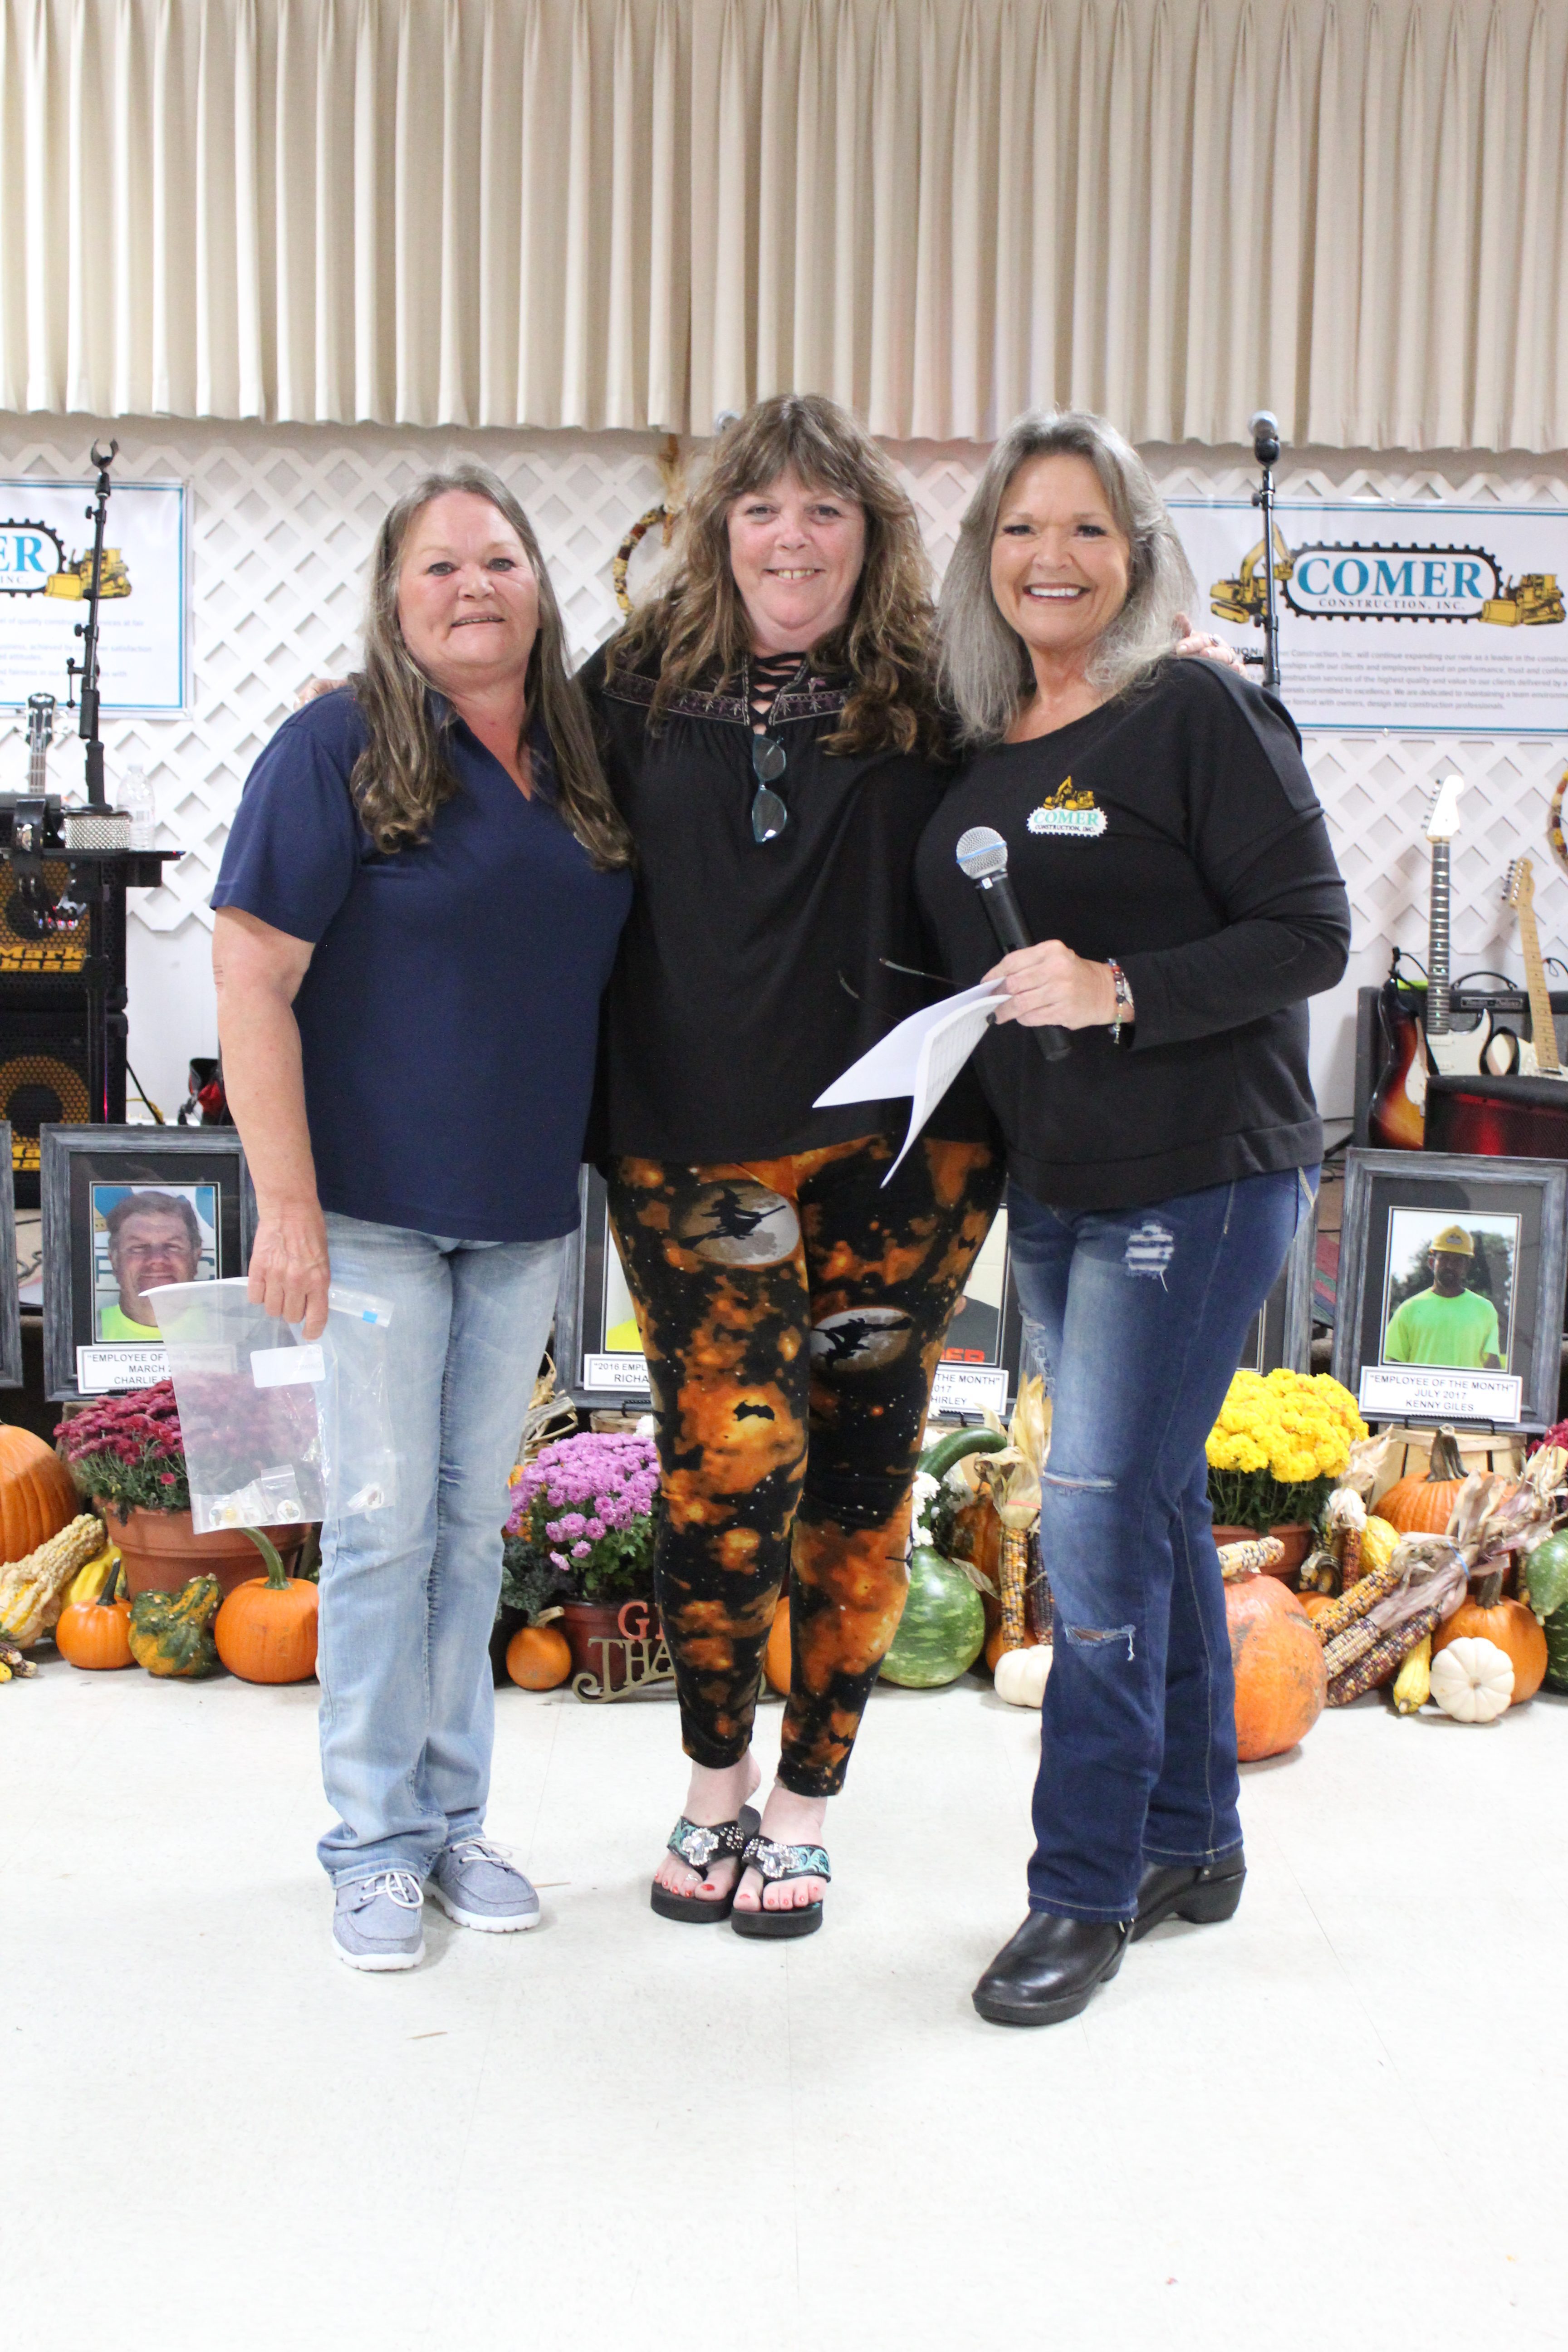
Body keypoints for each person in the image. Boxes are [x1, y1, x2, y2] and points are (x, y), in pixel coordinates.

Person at [916, 409, 1350, 2025]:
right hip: (1061, 1182)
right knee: (1150, 1507)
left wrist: (1119, 987)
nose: (1053, 557)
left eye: (1089, 527)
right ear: (986, 557)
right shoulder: (984, 740)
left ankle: (1081, 1887)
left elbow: (1311, 931)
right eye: (1023, 528)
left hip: (1202, 1171)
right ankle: (1192, 1842)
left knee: (1094, 1517)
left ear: (1140, 550)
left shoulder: (1199, 710)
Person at [581, 394, 1005, 1936]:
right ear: (719, 529)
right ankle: (715, 1780)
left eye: (826, 508)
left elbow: (1080, 761)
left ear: (872, 534)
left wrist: (1190, 680)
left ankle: (806, 1801)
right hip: (692, 1142)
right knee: (721, 1471)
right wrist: (368, 720)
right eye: (761, 506)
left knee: (864, 1474)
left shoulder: (943, 692)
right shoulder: (630, 682)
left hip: (908, 1149)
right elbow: (501, 786)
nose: (792, 537)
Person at [212, 463, 633, 1971]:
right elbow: (250, 974)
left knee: (466, 1525)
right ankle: (372, 1842)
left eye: (500, 559)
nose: (473, 586)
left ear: (540, 586)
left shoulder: (582, 754)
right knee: (385, 1526)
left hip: (521, 1213)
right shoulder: (336, 744)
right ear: (394, 598)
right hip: (374, 1212)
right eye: (440, 565)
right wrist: (287, 1205)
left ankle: (455, 1820)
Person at [1383, 1225, 1503, 1368]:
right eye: (1444, 1259)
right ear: (1432, 1263)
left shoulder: (1485, 1309)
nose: (1450, 1266)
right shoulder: (1409, 1310)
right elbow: (1394, 1365)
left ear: (1466, 1266)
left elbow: (1493, 1365)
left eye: (1458, 1261)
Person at [99, 1191, 201, 1340]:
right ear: (114, 1261)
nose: (157, 1260)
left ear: (196, 1258)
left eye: (172, 1246)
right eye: (138, 1247)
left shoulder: (225, 1330)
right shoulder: (88, 1332)